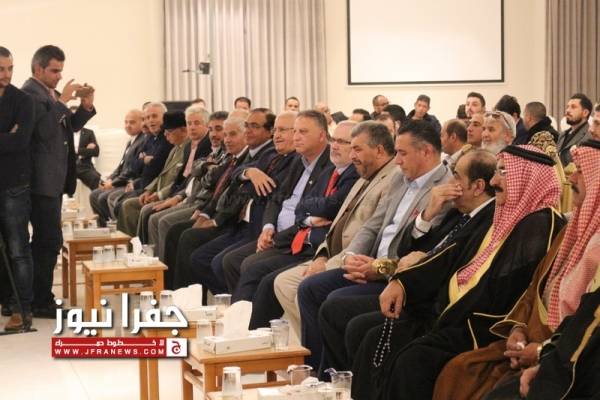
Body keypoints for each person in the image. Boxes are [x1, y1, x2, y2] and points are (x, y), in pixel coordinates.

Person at [353, 145, 565, 400]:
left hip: (480, 326)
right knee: (375, 339)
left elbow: (507, 290)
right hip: (452, 314)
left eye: (504, 172)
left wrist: (449, 313)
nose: (494, 181)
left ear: (527, 179)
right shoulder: (502, 213)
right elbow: (450, 254)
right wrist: (403, 282)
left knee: (413, 361)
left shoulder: (540, 224)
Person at [434, 139, 600, 400]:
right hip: (532, 340)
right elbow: (534, 288)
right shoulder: (572, 230)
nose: (571, 177)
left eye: (580, 170)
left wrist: (542, 351)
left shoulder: (543, 224)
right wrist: (517, 329)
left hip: (564, 356)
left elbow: (588, 323)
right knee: (458, 370)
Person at [319, 148, 497, 374]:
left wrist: (393, 271)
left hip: (428, 300)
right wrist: (427, 215)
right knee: (332, 307)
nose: (450, 183)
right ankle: (336, 381)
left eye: (456, 177)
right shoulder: (455, 211)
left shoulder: (486, 221)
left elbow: (443, 266)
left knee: (356, 325)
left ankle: (352, 383)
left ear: (478, 186)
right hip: (406, 283)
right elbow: (404, 248)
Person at [297, 120, 453, 368]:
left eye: (402, 153)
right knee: (310, 288)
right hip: (368, 263)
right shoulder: (399, 179)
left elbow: (422, 248)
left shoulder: (444, 190)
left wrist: (379, 267)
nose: (397, 160)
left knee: (334, 303)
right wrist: (351, 255)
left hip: (395, 276)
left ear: (426, 152)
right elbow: (372, 225)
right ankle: (316, 371)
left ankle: (338, 376)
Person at [270, 121, 397, 342]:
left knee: (304, 289)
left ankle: (319, 350)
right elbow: (334, 222)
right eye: (336, 141)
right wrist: (322, 256)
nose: (352, 155)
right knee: (283, 283)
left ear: (379, 150)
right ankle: (315, 347)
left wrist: (331, 263)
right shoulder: (365, 174)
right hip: (333, 252)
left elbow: (370, 233)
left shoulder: (392, 178)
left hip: (356, 259)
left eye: (356, 148)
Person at [233, 121, 359, 303]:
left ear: (321, 135)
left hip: (314, 245)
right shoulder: (308, 164)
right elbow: (298, 206)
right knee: (239, 262)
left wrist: (307, 213)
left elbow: (331, 206)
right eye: (334, 140)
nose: (335, 145)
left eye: (342, 142)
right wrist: (305, 220)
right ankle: (239, 314)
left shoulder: (349, 172)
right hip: (293, 235)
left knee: (259, 272)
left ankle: (248, 318)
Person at [187, 111, 298, 298]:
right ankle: (231, 300)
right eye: (276, 130)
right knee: (201, 257)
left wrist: (246, 180)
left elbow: (268, 191)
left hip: (260, 228)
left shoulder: (294, 160)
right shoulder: (272, 154)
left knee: (225, 261)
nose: (277, 135)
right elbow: (237, 172)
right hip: (243, 224)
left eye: (283, 130)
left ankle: (239, 304)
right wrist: (249, 172)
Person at [221, 110, 332, 293]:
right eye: (294, 131)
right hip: (273, 232)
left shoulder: (330, 165)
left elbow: (309, 211)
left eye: (302, 132)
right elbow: (276, 198)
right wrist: (268, 227)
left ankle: (247, 309)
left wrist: (276, 237)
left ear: (322, 135)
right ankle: (241, 308)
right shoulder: (297, 160)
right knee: (231, 261)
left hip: (298, 240)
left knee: (250, 266)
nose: (296, 137)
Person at [22, 45, 96, 317]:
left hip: (52, 178)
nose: (59, 76)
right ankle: (39, 300)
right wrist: (63, 101)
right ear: (38, 68)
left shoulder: (48, 94)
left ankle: (38, 297)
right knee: (47, 241)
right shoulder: (29, 93)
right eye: (54, 71)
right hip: (40, 181)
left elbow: (67, 127)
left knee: (49, 239)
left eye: (61, 71)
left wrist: (85, 107)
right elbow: (42, 131)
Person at [0, 46, 35, 329]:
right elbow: (11, 140)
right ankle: (6, 300)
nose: (7, 74)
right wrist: (6, 136)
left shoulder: (23, 100)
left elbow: (21, 141)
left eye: (10, 68)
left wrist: (13, 137)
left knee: (18, 249)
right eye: (1, 69)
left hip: (14, 184)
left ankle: (23, 309)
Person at [117, 111, 189, 236]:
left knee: (143, 210)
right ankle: (130, 244)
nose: (165, 135)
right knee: (127, 204)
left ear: (183, 130)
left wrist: (159, 194)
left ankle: (141, 245)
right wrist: (149, 190)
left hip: (170, 194)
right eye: (165, 131)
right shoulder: (175, 148)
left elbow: (180, 181)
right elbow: (161, 175)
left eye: (169, 131)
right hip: (157, 191)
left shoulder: (188, 149)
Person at [89, 109, 146, 226]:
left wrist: (113, 183)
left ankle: (116, 227)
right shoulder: (131, 141)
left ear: (142, 122)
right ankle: (104, 226)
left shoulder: (143, 140)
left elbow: (132, 170)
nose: (128, 125)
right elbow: (121, 165)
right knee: (94, 195)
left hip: (130, 182)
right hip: (122, 180)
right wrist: (109, 179)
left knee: (103, 197)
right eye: (126, 122)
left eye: (132, 122)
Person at [70, 105, 102, 190]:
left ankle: (97, 196)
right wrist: (85, 150)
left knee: (95, 177)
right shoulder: (64, 132)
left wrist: (76, 150)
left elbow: (96, 151)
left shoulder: (89, 133)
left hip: (85, 166)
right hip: (69, 166)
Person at [557, 93, 592, 166]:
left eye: (573, 107)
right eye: (567, 107)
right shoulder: (562, 135)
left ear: (585, 113)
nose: (567, 110)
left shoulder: (590, 136)